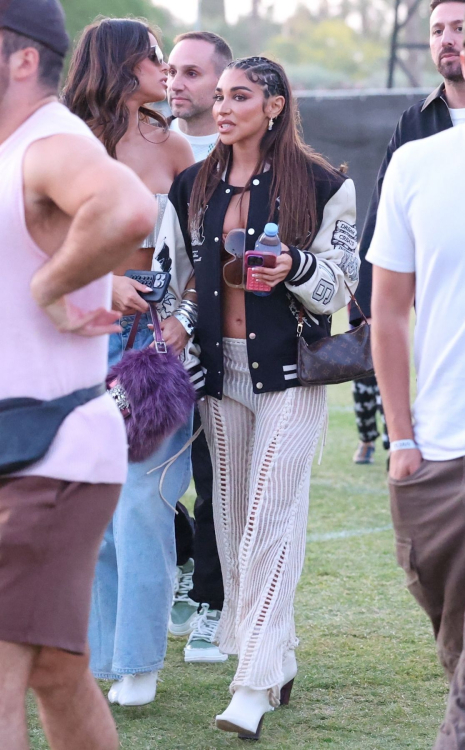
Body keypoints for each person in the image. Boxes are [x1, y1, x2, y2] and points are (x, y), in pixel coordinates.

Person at [155, 56, 359, 739]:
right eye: (218, 96)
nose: (222, 106)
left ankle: (250, 687)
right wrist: (172, 329)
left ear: (273, 104)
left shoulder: (325, 182)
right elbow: (181, 279)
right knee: (236, 528)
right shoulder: (192, 183)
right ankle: (277, 660)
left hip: (291, 374)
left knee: (271, 517)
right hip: (221, 375)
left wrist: (294, 266)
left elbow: (341, 282)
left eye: (238, 95)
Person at [0, 1, 157, 748]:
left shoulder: (50, 143)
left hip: (48, 448)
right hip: (25, 443)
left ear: (23, 58)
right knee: (59, 670)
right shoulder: (12, 150)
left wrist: (49, 286)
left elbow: (128, 208)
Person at [368, 0, 465, 743]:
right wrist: (402, 439)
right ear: (463, 63)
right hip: (438, 462)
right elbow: (388, 311)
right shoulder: (417, 163)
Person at [63, 17, 195, 707]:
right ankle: (107, 656)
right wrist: (101, 282)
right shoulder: (61, 145)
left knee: (143, 499)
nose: (165, 66)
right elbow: (30, 249)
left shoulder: (168, 141)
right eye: (153, 56)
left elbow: (210, 240)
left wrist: (180, 320)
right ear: (121, 64)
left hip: (153, 347)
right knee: (94, 503)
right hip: (80, 340)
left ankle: (140, 662)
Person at [351, 0, 465, 465]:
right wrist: (365, 299)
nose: (447, 38)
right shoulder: (415, 123)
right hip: (435, 289)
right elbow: (384, 210)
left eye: (459, 27)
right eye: (437, 29)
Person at [166, 29, 233, 664]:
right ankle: (183, 562)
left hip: (218, 348)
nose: (174, 83)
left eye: (190, 73)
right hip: (149, 344)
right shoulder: (149, 145)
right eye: (169, 71)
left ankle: (212, 605)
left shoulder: (242, 157)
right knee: (145, 480)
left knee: (217, 480)